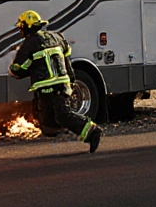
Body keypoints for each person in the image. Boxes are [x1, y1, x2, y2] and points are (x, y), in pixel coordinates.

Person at [9, 10, 102, 153]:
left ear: (27, 27)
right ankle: (67, 132)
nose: (20, 31)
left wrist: (20, 71)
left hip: (49, 85)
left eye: (21, 28)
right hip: (62, 83)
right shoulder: (57, 36)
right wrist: (71, 79)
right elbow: (66, 57)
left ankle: (92, 131)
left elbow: (17, 68)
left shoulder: (29, 44)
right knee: (51, 116)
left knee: (62, 115)